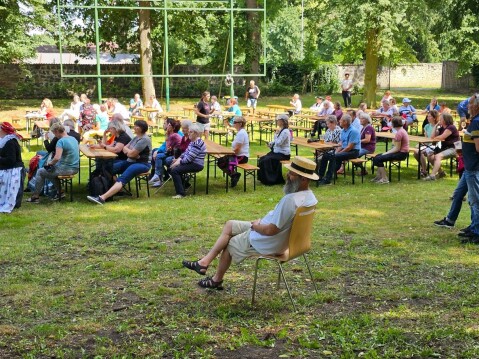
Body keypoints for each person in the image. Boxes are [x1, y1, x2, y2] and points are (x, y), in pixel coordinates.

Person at [181, 156, 318, 289]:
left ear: (304, 179)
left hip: (268, 240)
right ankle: (203, 262)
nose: (287, 175)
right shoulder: (310, 197)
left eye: (292, 174)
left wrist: (255, 226)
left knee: (230, 243)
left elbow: (271, 230)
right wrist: (259, 224)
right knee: (230, 225)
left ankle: (216, 280)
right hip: (278, 238)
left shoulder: (291, 200)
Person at [87, 120, 152, 205]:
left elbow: (131, 154)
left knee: (122, 178)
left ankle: (102, 198)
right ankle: (103, 189)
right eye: (135, 125)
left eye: (137, 126)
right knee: (108, 168)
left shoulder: (144, 139)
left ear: (142, 128)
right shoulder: (136, 138)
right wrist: (131, 153)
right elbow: (125, 149)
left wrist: (131, 153)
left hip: (142, 164)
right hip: (130, 161)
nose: (134, 127)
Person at [27, 123, 79, 203]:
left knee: (41, 171)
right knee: (49, 172)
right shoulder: (73, 139)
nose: (55, 135)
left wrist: (49, 163)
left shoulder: (60, 141)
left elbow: (57, 158)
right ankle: (60, 192)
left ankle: (35, 196)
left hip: (65, 169)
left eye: (54, 133)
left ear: (57, 131)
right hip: (75, 168)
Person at [456, 94, 479, 244]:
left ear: (476, 106)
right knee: (472, 200)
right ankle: (474, 227)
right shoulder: (474, 121)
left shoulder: (477, 122)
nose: (467, 106)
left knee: (475, 201)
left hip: (473, 167)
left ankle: (477, 232)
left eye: (470, 104)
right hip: (470, 166)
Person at [317, 114, 360, 185]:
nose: (339, 121)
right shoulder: (343, 130)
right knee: (325, 155)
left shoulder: (353, 131)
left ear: (345, 122)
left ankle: (327, 179)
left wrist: (338, 153)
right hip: (344, 149)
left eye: (341, 120)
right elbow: (341, 143)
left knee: (333, 156)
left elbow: (349, 147)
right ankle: (320, 176)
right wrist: (336, 150)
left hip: (353, 152)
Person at [169, 124, 206, 199]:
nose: (188, 133)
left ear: (196, 133)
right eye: (189, 132)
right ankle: (183, 185)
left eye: (191, 132)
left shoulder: (197, 143)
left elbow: (189, 158)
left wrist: (178, 163)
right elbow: (185, 153)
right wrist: (178, 159)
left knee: (175, 171)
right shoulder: (193, 141)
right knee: (170, 166)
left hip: (196, 164)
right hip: (191, 162)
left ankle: (180, 193)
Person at [371, 116, 409, 184]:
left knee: (379, 159)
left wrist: (386, 153)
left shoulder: (399, 133)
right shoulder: (402, 131)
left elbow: (397, 148)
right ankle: (379, 176)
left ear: (394, 124)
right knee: (377, 156)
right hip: (401, 152)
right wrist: (386, 153)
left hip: (401, 154)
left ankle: (384, 178)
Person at [424, 113, 459, 181]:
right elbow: (432, 137)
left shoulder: (451, 127)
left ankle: (432, 176)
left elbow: (441, 137)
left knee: (438, 156)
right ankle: (441, 172)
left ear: (445, 120)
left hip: (453, 148)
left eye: (441, 118)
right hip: (444, 148)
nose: (439, 119)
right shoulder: (442, 128)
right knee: (430, 155)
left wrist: (435, 138)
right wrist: (436, 125)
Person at [258, 114, 291, 185]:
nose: (277, 122)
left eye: (278, 120)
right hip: (277, 152)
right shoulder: (281, 130)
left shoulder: (285, 131)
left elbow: (279, 142)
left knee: (266, 160)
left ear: (282, 121)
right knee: (262, 159)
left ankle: (271, 180)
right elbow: (276, 141)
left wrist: (275, 135)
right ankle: (263, 178)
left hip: (283, 154)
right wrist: (270, 143)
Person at [217, 116, 249, 188]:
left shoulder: (241, 133)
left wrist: (228, 153)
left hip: (242, 157)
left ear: (240, 124)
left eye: (235, 122)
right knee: (221, 161)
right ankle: (234, 175)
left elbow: (237, 149)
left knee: (225, 161)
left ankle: (234, 175)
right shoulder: (240, 132)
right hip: (237, 155)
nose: (233, 124)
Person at [0, 122, 25, 213]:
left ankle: (11, 203)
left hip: (14, 169)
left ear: (3, 131)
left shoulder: (10, 142)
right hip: (6, 168)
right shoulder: (3, 141)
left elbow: (11, 160)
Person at [149, 119, 182, 188]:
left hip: (176, 156)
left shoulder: (174, 135)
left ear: (173, 127)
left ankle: (158, 175)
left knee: (159, 157)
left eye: (168, 125)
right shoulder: (173, 134)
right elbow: (168, 148)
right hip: (172, 153)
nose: (166, 126)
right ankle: (158, 176)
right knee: (157, 154)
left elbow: (167, 148)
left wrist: (166, 137)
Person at [413, 110, 440, 177]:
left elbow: (435, 139)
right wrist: (422, 143)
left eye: (429, 116)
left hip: (435, 145)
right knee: (416, 152)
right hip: (427, 144)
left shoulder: (438, 127)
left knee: (420, 152)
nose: (427, 118)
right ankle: (424, 167)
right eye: (427, 116)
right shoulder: (427, 126)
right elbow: (426, 138)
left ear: (434, 118)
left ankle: (424, 170)